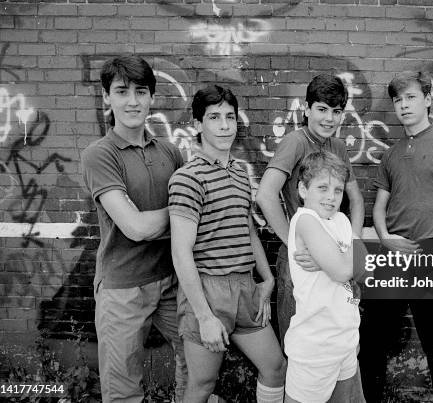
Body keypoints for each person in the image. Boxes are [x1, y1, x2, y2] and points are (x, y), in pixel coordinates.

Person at [359, 71, 433, 402]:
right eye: (398, 100)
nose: (403, 105)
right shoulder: (391, 155)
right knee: (370, 342)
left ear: (428, 99)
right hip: (393, 256)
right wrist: (385, 239)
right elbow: (379, 208)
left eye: (410, 97)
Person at [168, 85, 286, 403]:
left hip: (245, 288)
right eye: (214, 117)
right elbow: (180, 253)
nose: (224, 125)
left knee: (275, 367)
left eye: (230, 117)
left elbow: (246, 229)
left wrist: (268, 279)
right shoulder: (187, 178)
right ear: (197, 124)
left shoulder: (238, 172)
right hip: (207, 291)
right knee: (203, 384)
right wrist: (205, 317)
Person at [81, 55, 187, 403]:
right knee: (123, 390)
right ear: (106, 98)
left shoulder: (170, 152)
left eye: (141, 92)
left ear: (152, 98)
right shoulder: (100, 154)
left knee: (199, 354)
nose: (132, 101)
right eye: (121, 91)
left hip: (170, 282)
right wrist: (182, 212)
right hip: (122, 289)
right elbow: (136, 227)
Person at [256, 74, 365, 345]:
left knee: (332, 339)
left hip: (335, 257)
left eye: (336, 112)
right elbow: (266, 195)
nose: (329, 118)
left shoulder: (338, 146)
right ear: (307, 110)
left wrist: (354, 244)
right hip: (302, 259)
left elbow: (357, 200)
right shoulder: (295, 142)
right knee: (299, 343)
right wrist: (294, 245)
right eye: (322, 109)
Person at [284, 151, 365, 403]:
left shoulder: (340, 220)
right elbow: (344, 270)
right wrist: (345, 257)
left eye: (338, 190)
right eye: (322, 188)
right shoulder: (306, 220)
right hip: (315, 347)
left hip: (345, 339)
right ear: (303, 190)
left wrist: (332, 261)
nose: (331, 197)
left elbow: (362, 270)